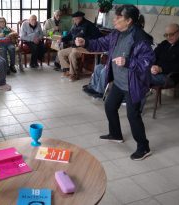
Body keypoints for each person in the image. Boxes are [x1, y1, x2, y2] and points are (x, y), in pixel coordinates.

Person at [75, 5, 155, 160]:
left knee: (133, 116)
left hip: (133, 85)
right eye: (115, 16)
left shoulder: (141, 39)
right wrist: (85, 42)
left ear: (129, 20)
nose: (114, 19)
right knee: (110, 106)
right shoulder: (116, 33)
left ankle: (144, 147)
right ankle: (116, 134)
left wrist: (128, 61)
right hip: (119, 82)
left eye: (119, 18)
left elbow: (147, 62)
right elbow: (101, 43)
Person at [58, 11, 101, 81]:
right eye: (73, 19)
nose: (74, 21)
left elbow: (97, 36)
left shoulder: (89, 25)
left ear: (80, 18)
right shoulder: (74, 25)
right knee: (61, 53)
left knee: (72, 55)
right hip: (74, 47)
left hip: (84, 48)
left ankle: (74, 74)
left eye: (75, 19)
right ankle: (67, 71)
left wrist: (85, 41)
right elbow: (69, 35)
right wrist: (62, 39)